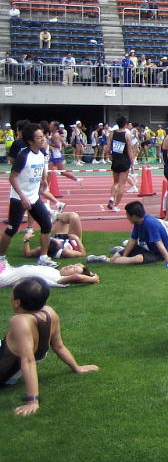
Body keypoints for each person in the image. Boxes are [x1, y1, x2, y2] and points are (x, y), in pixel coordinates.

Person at [0, 277, 99, 416]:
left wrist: (32, 401)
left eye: (12, 294)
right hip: (11, 375)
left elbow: (28, 360)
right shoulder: (49, 313)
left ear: (17, 302)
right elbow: (59, 347)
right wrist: (77, 368)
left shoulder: (20, 321)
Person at [0, 123, 58, 268]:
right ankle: (0, 257)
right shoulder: (23, 156)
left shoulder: (42, 153)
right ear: (31, 141)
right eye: (39, 137)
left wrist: (43, 180)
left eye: (43, 136)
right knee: (12, 228)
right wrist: (22, 197)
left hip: (34, 197)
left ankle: (43, 257)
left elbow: (41, 169)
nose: (43, 139)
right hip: (19, 198)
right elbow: (12, 178)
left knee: (46, 224)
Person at [88, 201, 168, 268]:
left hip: (156, 253)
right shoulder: (138, 222)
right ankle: (105, 259)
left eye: (127, 215)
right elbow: (132, 240)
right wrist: (124, 255)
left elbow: (159, 243)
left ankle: (107, 260)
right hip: (145, 248)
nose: (126, 217)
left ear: (133, 216)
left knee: (138, 259)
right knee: (118, 256)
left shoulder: (150, 223)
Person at [106, 116, 136, 212]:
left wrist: (111, 155)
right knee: (122, 184)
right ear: (126, 125)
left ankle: (111, 197)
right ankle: (115, 205)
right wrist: (132, 163)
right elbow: (130, 151)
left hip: (115, 160)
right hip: (124, 161)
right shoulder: (127, 135)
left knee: (116, 182)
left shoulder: (112, 134)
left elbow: (107, 149)